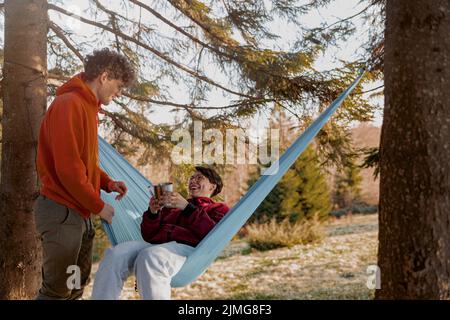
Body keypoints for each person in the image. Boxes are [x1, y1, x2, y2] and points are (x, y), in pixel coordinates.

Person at [34, 48, 136, 300]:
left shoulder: (89, 109)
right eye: (119, 85)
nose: (120, 92)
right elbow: (67, 169)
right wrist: (99, 206)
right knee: (57, 292)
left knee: (75, 287)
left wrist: (107, 182)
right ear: (104, 76)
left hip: (79, 214)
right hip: (62, 213)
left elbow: (83, 162)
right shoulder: (69, 104)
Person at [92, 166, 230, 300]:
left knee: (151, 257)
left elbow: (212, 235)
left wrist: (187, 208)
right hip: (157, 247)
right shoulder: (172, 206)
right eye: (191, 178)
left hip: (189, 252)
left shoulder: (218, 208)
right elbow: (149, 235)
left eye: (199, 178)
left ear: (212, 187)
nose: (193, 181)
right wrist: (153, 212)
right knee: (115, 254)